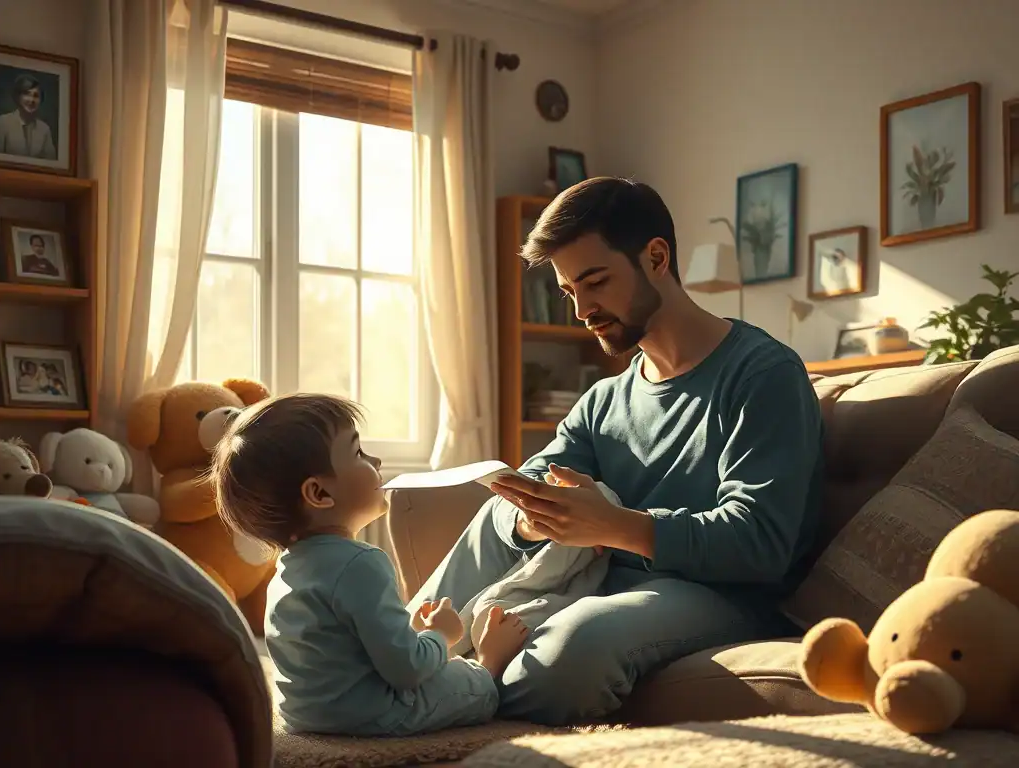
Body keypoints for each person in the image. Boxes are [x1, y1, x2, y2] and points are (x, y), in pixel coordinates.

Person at [407, 176, 825, 725]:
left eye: (596, 282)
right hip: (603, 582)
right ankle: (390, 666)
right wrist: (533, 517)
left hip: (724, 594)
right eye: (568, 292)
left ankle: (455, 688)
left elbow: (759, 541)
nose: (582, 309)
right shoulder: (605, 399)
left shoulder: (763, 374)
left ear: (656, 258)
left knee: (565, 655)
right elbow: (537, 479)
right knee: (498, 517)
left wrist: (614, 526)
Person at [211, 393, 529, 736]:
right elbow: (408, 670)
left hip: (306, 717)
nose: (375, 461)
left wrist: (415, 635)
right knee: (462, 681)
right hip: (372, 715)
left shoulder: (286, 572)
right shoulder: (361, 564)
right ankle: (490, 663)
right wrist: (441, 634)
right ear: (319, 494)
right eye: (358, 453)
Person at [0, 74, 57, 160]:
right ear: (18, 97)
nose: (31, 100)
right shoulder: (4, 122)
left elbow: (51, 163)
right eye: (27, 94)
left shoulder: (44, 129)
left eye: (36, 95)